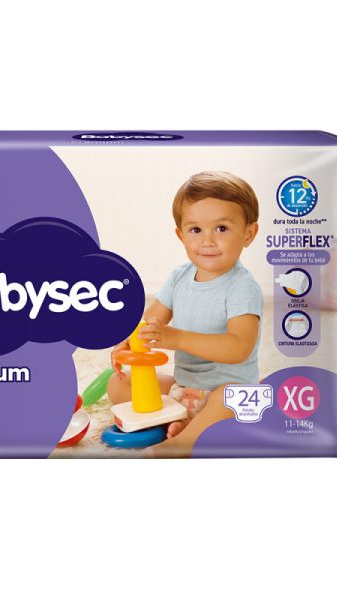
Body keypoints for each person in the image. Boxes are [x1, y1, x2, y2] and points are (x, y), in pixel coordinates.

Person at [107, 171, 263, 457]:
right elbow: (149, 322)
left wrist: (177, 338)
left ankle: (179, 444)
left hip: (229, 392)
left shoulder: (242, 287)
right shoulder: (179, 277)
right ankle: (184, 422)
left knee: (228, 399)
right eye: (195, 230)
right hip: (184, 388)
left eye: (222, 228)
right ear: (181, 235)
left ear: (248, 234)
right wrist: (129, 343)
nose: (207, 241)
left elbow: (239, 347)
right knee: (119, 383)